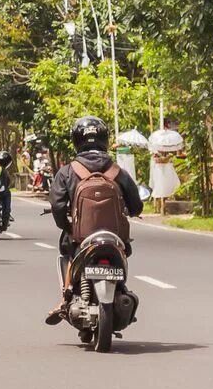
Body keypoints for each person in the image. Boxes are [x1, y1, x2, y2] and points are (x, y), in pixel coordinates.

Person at [44, 114, 143, 323]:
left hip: (82, 237)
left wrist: (67, 226)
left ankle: (66, 296)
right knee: (125, 249)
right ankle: (121, 287)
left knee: (67, 250)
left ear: (76, 140)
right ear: (105, 139)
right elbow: (136, 206)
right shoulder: (118, 171)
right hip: (114, 237)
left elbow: (57, 205)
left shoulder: (67, 172)